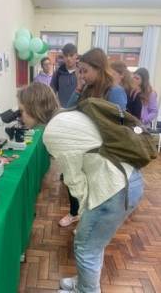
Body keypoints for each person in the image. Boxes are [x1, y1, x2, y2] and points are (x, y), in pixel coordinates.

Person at [16, 81, 143, 293]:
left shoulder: (53, 131)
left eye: (21, 111)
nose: (20, 116)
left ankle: (87, 289)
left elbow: (74, 180)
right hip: (129, 180)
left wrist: (83, 213)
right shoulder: (66, 114)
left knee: (85, 248)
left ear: (33, 107)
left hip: (116, 188)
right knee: (93, 244)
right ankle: (83, 283)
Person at [61, 48, 128, 231]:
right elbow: (69, 110)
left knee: (96, 192)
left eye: (85, 71)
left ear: (98, 68)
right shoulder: (88, 88)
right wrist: (79, 86)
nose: (82, 75)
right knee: (78, 185)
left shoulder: (115, 91)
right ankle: (79, 216)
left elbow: (117, 126)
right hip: (87, 149)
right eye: (80, 71)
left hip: (104, 153)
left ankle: (90, 224)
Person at [50, 43, 78, 108]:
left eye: (71, 55)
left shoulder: (82, 72)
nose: (68, 58)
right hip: (62, 111)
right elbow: (52, 92)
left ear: (76, 55)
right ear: (63, 57)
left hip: (78, 111)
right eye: (66, 56)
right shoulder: (58, 73)